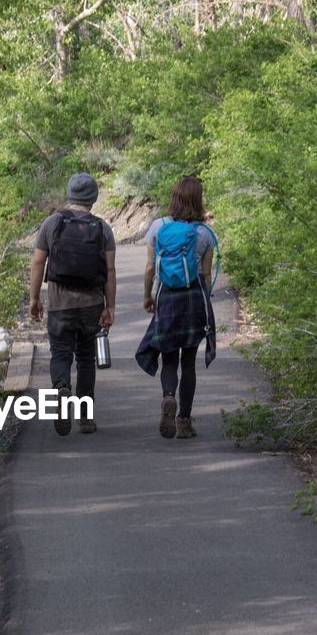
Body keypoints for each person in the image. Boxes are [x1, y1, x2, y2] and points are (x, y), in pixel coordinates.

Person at [29, 172, 117, 435]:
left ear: (69, 194)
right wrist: (109, 306)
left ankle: (61, 389)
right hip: (91, 304)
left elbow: (37, 262)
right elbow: (110, 271)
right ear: (94, 198)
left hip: (59, 304)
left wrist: (34, 298)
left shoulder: (52, 223)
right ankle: (86, 419)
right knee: (87, 358)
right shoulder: (102, 229)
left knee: (61, 354)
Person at [135, 176, 217, 440]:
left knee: (169, 357)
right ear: (199, 200)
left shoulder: (159, 226)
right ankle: (184, 422)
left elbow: (149, 268)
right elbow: (205, 275)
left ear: (174, 197)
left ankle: (168, 397)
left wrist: (147, 296)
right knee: (189, 361)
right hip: (193, 298)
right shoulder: (205, 233)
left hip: (167, 296)